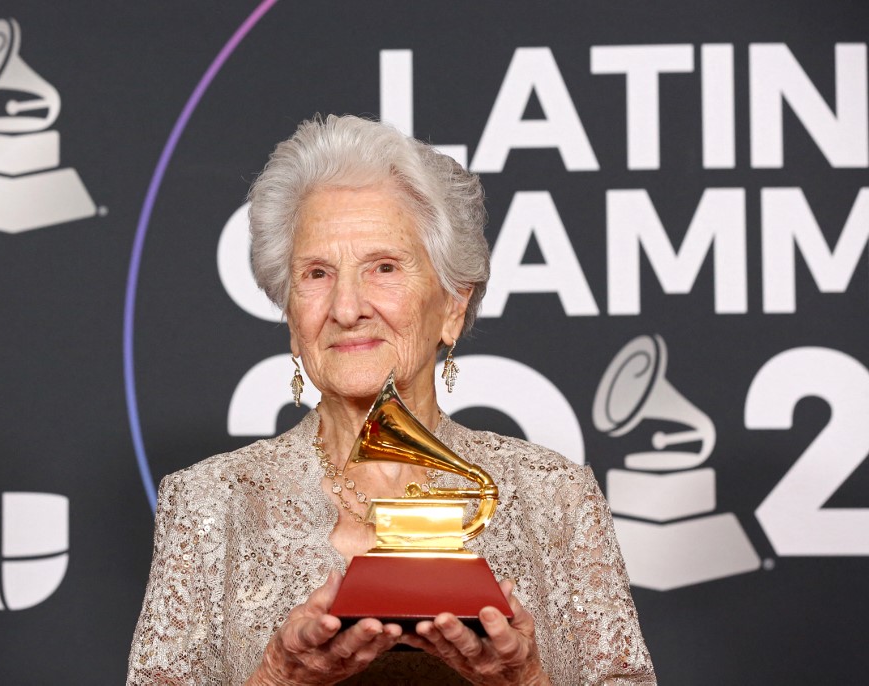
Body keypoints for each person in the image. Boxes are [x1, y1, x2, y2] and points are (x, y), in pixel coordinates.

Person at [127, 114, 656, 685]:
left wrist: (524, 682)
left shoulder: (555, 499)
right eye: (317, 273)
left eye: (383, 267)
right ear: (290, 314)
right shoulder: (209, 504)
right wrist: (279, 678)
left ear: (452, 306)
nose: (347, 306)